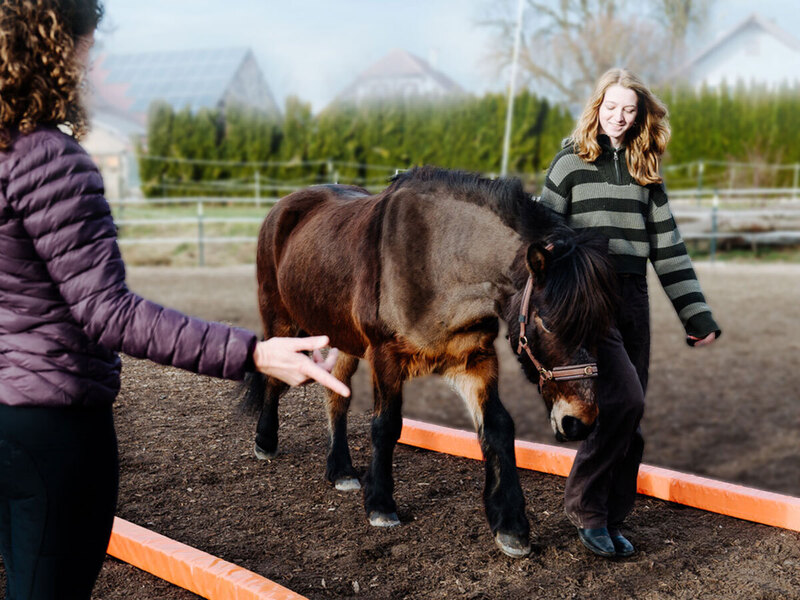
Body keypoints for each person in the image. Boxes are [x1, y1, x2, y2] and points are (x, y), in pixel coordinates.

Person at [0, 1, 349, 597]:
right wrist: (253, 353)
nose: (90, 62)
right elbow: (108, 313)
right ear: (55, 46)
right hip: (53, 428)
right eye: (88, 44)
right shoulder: (47, 159)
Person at [538, 68, 720, 558]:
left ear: (640, 115)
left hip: (633, 298)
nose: (619, 117)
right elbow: (541, 233)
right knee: (624, 402)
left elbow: (669, 248)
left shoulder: (645, 170)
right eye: (612, 107)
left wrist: (696, 316)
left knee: (630, 415)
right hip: (587, 298)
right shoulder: (569, 163)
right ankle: (586, 508)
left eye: (629, 110)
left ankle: (612, 517)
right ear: (597, 107)